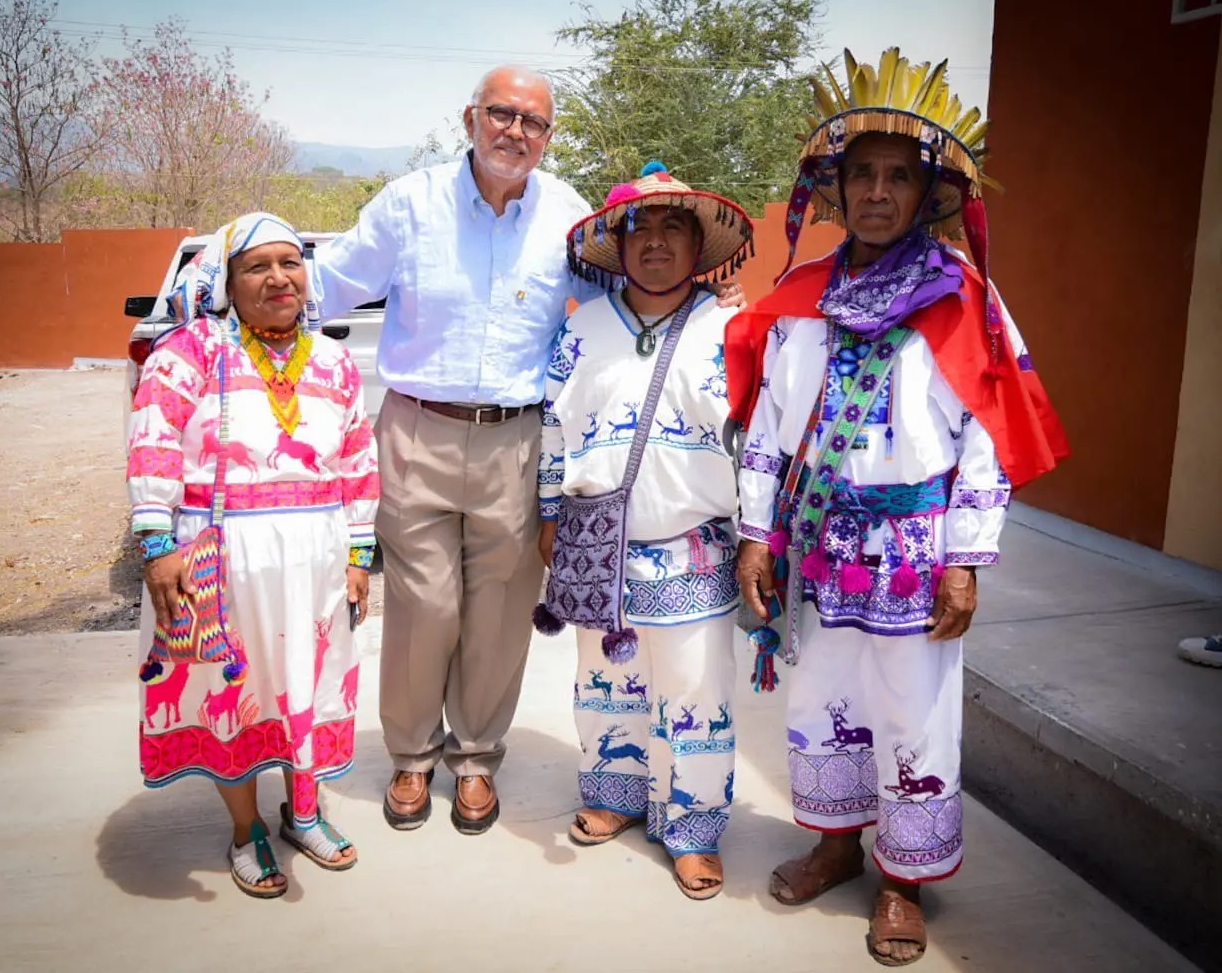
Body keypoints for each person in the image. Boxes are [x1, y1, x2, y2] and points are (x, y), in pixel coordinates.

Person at [313, 65, 742, 834]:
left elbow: (627, 304)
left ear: (549, 136)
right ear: (470, 116)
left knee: (503, 609)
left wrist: (712, 309)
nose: (516, 132)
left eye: (534, 122)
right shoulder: (410, 205)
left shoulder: (569, 217)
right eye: (502, 115)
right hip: (418, 428)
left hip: (519, 436)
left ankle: (475, 759)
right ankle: (412, 758)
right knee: (423, 607)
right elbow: (331, 282)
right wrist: (230, 285)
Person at [726, 49, 1069, 964]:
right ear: (836, 191)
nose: (877, 192)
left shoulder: (965, 303)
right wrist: (758, 533)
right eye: (861, 175)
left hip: (915, 547)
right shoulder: (803, 301)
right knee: (822, 696)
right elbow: (770, 422)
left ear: (929, 193)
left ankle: (903, 880)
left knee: (913, 713)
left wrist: (965, 557)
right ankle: (837, 844)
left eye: (898, 176)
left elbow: (987, 438)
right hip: (818, 541)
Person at [128, 212, 378, 899]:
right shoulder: (190, 354)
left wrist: (360, 550)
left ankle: (303, 813)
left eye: (290, 262)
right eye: (257, 266)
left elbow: (359, 456)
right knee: (232, 695)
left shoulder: (331, 359)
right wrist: (156, 546)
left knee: (306, 680)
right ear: (226, 282)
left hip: (316, 561)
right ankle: (246, 832)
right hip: (223, 558)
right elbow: (151, 442)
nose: (278, 278)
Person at [536, 162, 752, 899]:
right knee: (606, 684)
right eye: (640, 227)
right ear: (617, 243)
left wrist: (760, 533)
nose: (655, 242)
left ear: (700, 246)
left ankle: (693, 825)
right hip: (599, 545)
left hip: (695, 545)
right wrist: (546, 514)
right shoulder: (584, 326)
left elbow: (757, 439)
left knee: (694, 690)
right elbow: (550, 428)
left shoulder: (732, 327)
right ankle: (616, 796)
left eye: (673, 228)